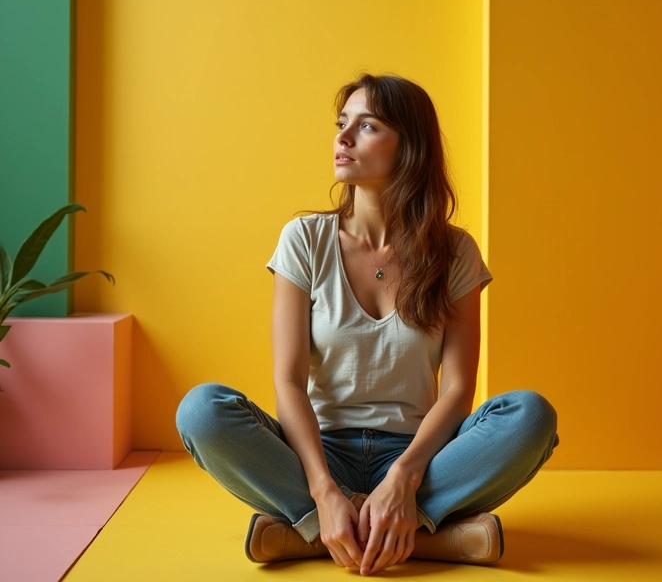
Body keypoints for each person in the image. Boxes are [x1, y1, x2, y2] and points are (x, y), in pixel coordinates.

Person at [176, 73, 558, 576]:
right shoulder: (304, 239)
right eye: (342, 124)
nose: (343, 137)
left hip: (420, 459)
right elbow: (288, 381)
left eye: (368, 125)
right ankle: (423, 538)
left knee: (531, 416)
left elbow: (459, 389)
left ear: (410, 147)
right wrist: (321, 487)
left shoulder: (455, 251)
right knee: (202, 410)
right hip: (317, 450)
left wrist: (404, 475)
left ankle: (312, 534)